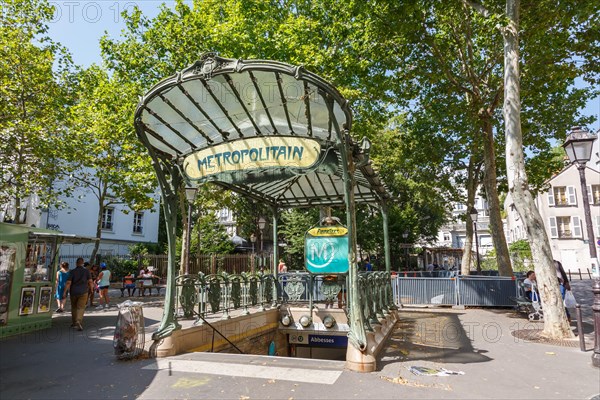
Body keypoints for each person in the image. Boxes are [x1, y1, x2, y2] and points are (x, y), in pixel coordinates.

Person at [63, 257, 93, 331]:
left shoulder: (72, 271)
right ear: (82, 263)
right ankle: (78, 321)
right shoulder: (86, 271)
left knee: (74, 307)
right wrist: (92, 289)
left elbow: (68, 283)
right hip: (83, 292)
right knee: (81, 307)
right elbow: (90, 281)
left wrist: (64, 292)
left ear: (76, 263)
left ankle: (74, 323)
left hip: (73, 292)